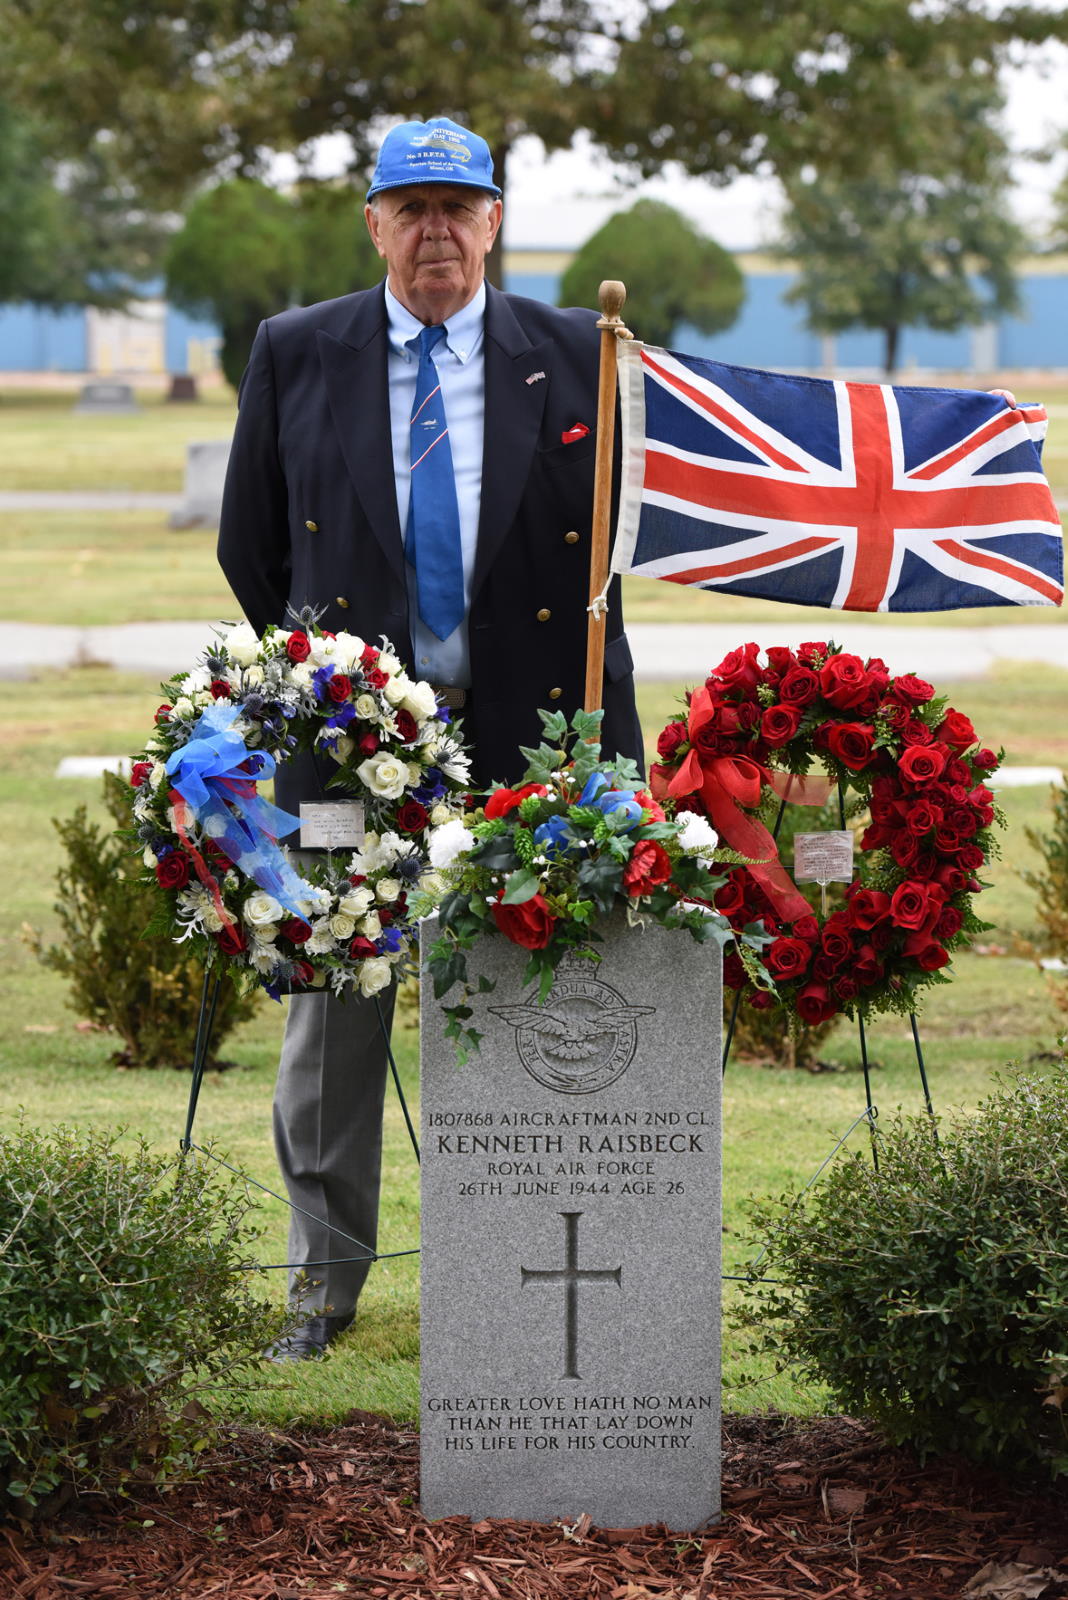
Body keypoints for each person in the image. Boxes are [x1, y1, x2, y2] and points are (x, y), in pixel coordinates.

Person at [217, 115, 642, 1359]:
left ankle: (524, 1279)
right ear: (375, 224)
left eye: (460, 207)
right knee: (334, 1016)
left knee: (536, 1002)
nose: (437, 230)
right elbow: (254, 547)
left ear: (496, 221)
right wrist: (347, 695)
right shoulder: (298, 351)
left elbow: (616, 544)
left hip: (536, 749)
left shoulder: (579, 352)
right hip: (354, 757)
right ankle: (323, 1291)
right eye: (412, 209)